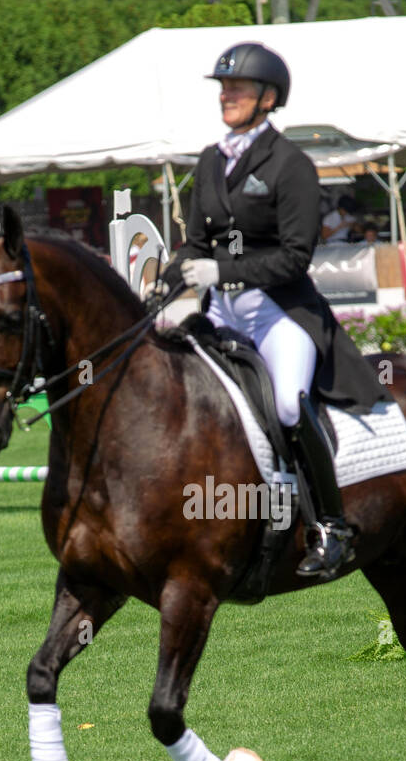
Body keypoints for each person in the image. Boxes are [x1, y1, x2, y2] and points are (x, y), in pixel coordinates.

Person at [157, 41, 381, 580]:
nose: (225, 95)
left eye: (236, 88)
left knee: (286, 403)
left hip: (280, 311)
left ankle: (331, 527)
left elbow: (295, 256)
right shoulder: (211, 161)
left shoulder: (291, 165)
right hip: (223, 312)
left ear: (268, 97)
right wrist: (159, 285)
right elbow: (196, 244)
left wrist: (224, 271)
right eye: (222, 87)